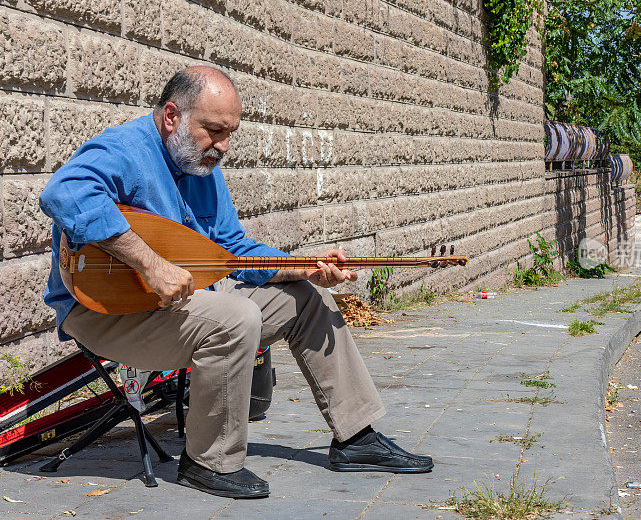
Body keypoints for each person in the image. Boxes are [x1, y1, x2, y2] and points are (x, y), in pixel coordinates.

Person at [39, 66, 433, 499]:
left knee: (308, 298)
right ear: (172, 116)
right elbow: (65, 193)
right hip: (103, 312)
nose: (222, 146)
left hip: (189, 304)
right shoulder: (125, 149)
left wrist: (303, 267)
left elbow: (231, 252)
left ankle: (355, 437)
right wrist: (150, 263)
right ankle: (209, 463)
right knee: (236, 315)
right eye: (213, 131)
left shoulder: (202, 166)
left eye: (230, 133)